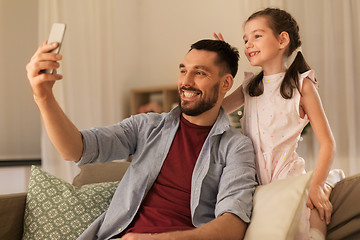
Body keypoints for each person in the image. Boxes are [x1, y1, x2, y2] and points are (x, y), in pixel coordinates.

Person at [26, 39, 257, 240]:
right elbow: (76, 149)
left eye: (199, 73)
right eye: (183, 70)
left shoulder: (235, 147)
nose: (186, 82)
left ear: (226, 83)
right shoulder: (146, 126)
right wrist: (44, 97)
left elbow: (233, 224)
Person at [214, 7, 342, 240]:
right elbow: (216, 110)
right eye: (245, 39)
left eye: (257, 35)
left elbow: (328, 143)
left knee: (297, 232)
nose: (248, 44)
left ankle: (325, 189)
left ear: (282, 39)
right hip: (254, 184)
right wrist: (221, 66)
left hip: (287, 178)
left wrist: (316, 186)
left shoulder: (302, 85)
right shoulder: (250, 86)